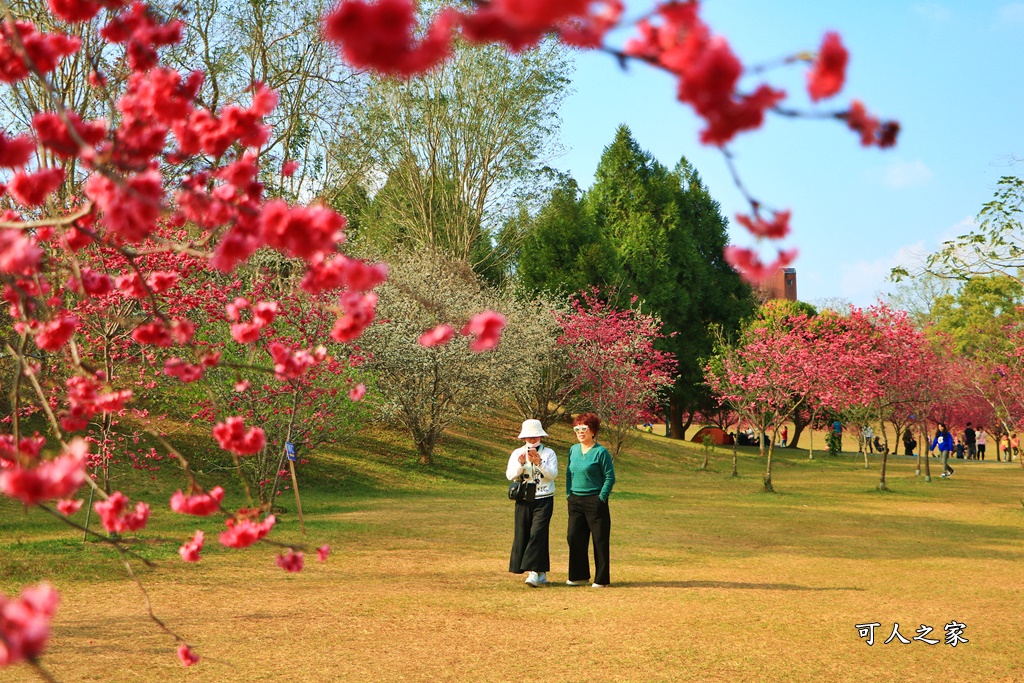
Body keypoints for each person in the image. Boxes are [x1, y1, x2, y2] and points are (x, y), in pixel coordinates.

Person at [565, 413, 615, 588]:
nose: (580, 432)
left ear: (593, 431)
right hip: (575, 500)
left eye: (584, 428)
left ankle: (601, 579)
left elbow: (610, 477)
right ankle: (578, 576)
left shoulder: (601, 452)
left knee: (599, 540)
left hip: (595, 500)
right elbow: (569, 473)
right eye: (577, 429)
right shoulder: (573, 450)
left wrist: (601, 497)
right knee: (574, 537)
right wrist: (568, 494)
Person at [506, 419, 558, 588]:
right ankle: (541, 572)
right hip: (524, 499)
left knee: (538, 533)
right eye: (529, 437)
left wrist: (539, 463)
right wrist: (521, 464)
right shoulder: (517, 453)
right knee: (523, 534)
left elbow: (553, 475)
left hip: (544, 498)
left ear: (541, 436)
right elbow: (510, 475)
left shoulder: (549, 453)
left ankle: (533, 572)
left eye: (535, 437)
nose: (532, 440)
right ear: (523, 438)